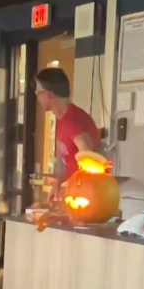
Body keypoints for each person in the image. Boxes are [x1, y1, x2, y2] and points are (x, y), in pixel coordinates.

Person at [34, 67, 99, 201]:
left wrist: (82, 188)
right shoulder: (62, 121)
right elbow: (71, 162)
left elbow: (87, 153)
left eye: (38, 92)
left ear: (48, 94)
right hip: (77, 193)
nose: (37, 97)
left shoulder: (72, 121)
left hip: (87, 197)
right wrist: (58, 182)